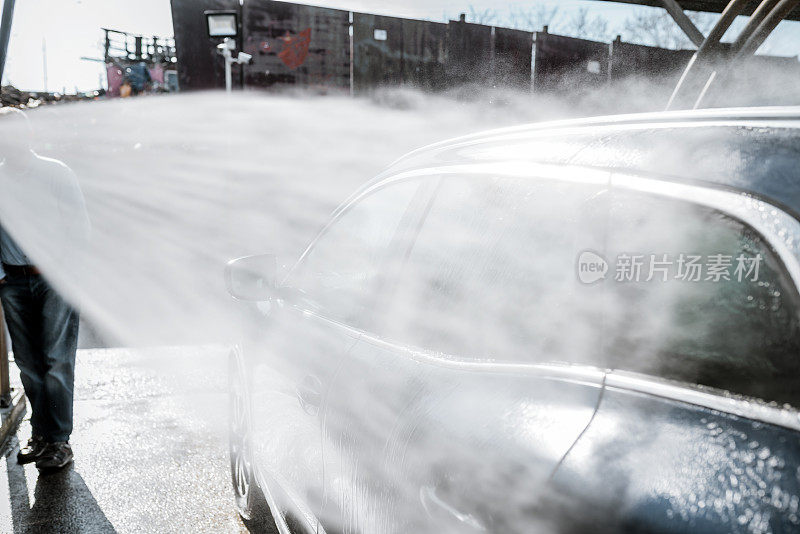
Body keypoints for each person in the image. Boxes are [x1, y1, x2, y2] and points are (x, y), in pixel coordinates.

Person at [0, 107, 89, 471]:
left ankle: (59, 442)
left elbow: (78, 226)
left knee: (55, 362)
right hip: (13, 280)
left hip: (55, 277)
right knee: (28, 365)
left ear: (28, 137)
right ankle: (41, 436)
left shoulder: (55, 172)